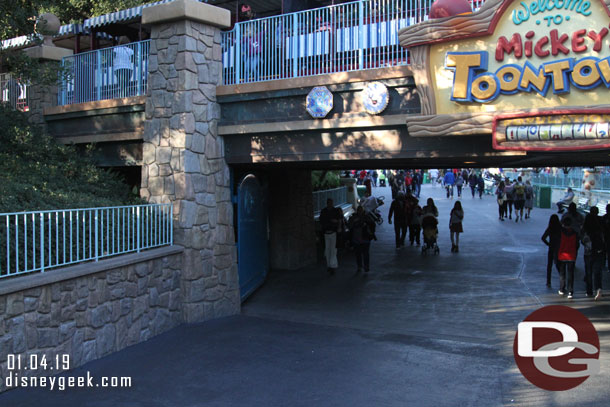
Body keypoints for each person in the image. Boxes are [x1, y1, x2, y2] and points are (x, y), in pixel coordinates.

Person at [581, 211, 605, 300]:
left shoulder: (585, 230)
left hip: (588, 253)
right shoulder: (599, 229)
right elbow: (603, 240)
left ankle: (589, 291)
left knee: (588, 272)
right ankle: (598, 288)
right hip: (599, 252)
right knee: (597, 272)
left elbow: (582, 241)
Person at [348, 206, 376, 273]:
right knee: (362, 254)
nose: (360, 212)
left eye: (361, 210)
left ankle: (362, 266)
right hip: (361, 239)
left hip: (361, 239)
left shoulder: (359, 217)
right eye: (359, 210)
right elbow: (349, 226)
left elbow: (372, 225)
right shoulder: (364, 217)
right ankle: (363, 267)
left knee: (361, 254)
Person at [319, 198, 343, 274]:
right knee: (327, 250)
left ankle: (332, 266)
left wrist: (338, 227)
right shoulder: (324, 211)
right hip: (326, 233)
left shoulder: (335, 211)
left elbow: (339, 220)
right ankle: (329, 265)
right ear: (327, 203)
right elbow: (321, 221)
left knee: (333, 250)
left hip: (333, 233)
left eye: (331, 202)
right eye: (329, 202)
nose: (330, 204)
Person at [557, 217, 579, 299]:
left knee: (562, 273)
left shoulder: (561, 232)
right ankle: (570, 291)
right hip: (572, 255)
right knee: (571, 274)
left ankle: (562, 289)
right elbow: (577, 244)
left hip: (562, 255)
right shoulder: (575, 233)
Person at [541, 214, 561, 287]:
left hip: (551, 247)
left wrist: (548, 244)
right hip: (559, 248)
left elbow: (543, 238)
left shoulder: (550, 228)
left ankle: (548, 281)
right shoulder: (560, 228)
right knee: (559, 265)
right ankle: (562, 279)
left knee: (549, 265)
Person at [603, 203, 610, 270]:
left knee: (604, 250)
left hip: (605, 236)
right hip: (607, 236)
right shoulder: (605, 217)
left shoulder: (604, 217)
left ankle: (603, 264)